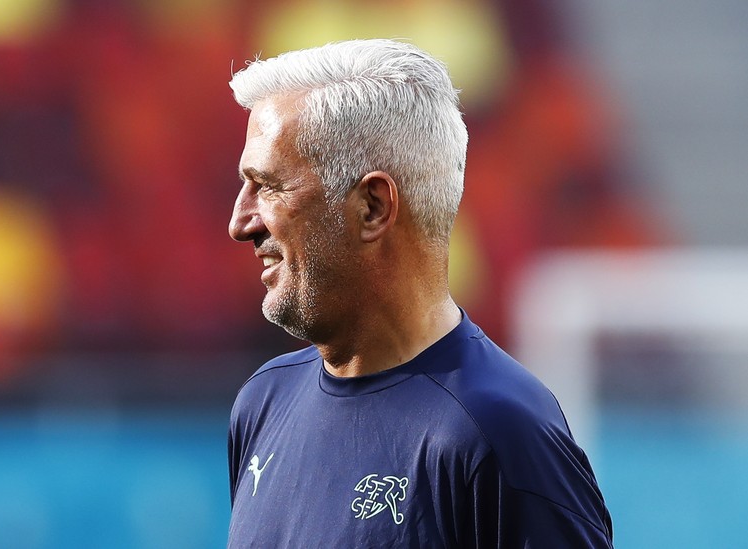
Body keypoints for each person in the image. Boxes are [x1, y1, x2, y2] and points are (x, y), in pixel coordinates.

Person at [226, 38, 613, 548]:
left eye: (268, 185)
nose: (239, 222)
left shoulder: (496, 434)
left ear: (372, 207)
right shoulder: (263, 404)